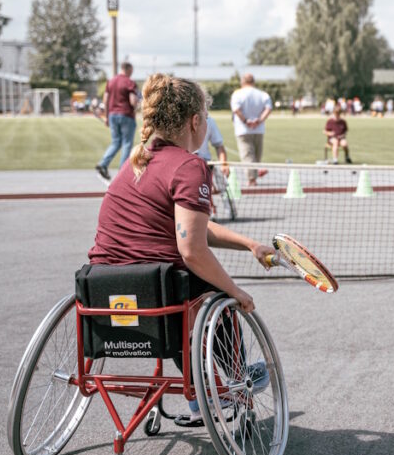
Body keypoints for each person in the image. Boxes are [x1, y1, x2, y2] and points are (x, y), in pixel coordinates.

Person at [88, 73, 274, 426]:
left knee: (181, 294)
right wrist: (235, 290)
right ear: (195, 121)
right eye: (207, 116)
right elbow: (192, 249)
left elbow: (189, 226)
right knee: (215, 292)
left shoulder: (135, 163)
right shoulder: (190, 166)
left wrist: (249, 244)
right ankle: (234, 381)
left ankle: (201, 392)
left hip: (104, 297)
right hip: (161, 297)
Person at [95, 62, 139, 182]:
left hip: (112, 115)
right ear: (128, 69)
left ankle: (103, 164)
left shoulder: (111, 81)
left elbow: (105, 99)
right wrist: (138, 105)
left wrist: (106, 117)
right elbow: (132, 101)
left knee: (116, 142)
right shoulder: (129, 82)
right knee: (127, 143)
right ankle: (122, 172)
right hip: (126, 115)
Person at [230, 73, 272, 185]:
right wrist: (259, 121)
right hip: (258, 129)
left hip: (243, 129)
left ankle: (252, 179)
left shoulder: (237, 94)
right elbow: (268, 109)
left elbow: (236, 110)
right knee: (256, 155)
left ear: (242, 82)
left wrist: (246, 121)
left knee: (247, 155)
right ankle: (253, 176)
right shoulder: (262, 94)